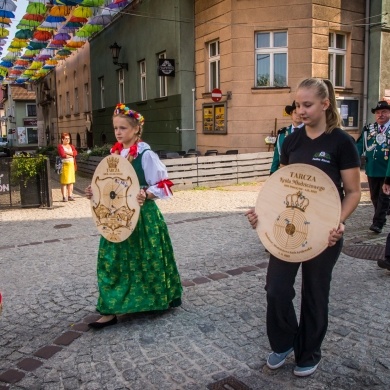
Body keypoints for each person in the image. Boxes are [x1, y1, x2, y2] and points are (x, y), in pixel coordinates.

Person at [246, 78, 361, 377]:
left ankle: (308, 352)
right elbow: (280, 188)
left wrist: (339, 222)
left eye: (307, 104)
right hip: (289, 229)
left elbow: (353, 191)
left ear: (325, 104)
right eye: (298, 104)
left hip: (325, 233)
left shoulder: (342, 142)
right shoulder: (292, 141)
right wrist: (262, 214)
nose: (301, 110)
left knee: (315, 293)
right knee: (276, 289)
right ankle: (284, 342)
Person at [85, 103, 182, 329]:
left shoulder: (146, 155)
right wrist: (93, 191)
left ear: (136, 129)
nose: (118, 132)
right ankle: (109, 309)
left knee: (146, 259)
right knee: (111, 261)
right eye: (116, 128)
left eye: (123, 128)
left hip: (143, 218)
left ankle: (151, 300)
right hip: (115, 218)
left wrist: (147, 193)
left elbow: (165, 184)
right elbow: (108, 186)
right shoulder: (114, 155)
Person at [356, 101, 390, 233]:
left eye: (384, 112)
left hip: (387, 170)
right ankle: (381, 216)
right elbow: (359, 146)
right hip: (372, 169)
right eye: (378, 113)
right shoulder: (369, 129)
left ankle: (378, 223)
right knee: (375, 197)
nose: (380, 115)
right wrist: (351, 158)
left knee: (384, 196)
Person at [270, 101, 304, 174]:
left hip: (302, 173)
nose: (298, 115)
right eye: (295, 112)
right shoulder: (282, 133)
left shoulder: (309, 132)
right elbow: (277, 154)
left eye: (299, 112)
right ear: (291, 114)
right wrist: (272, 172)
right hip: (284, 172)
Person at [57, 132, 77, 202]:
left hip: (71, 165)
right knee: (64, 182)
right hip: (64, 165)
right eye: (66, 139)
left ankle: (70, 195)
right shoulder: (60, 146)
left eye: (68, 138)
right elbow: (63, 155)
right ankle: (64, 196)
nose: (68, 140)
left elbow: (75, 153)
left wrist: (68, 153)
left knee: (71, 181)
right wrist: (71, 154)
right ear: (62, 139)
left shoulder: (71, 146)